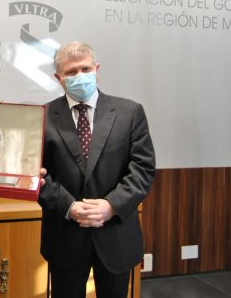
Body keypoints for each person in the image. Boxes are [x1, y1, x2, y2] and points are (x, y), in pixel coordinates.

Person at [38, 41, 155, 298]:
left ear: (96, 69)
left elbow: (142, 170)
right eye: (71, 72)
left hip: (115, 234)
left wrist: (110, 205)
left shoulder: (130, 112)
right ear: (59, 79)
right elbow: (37, 177)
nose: (80, 76)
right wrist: (70, 207)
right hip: (65, 235)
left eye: (85, 68)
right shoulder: (41, 117)